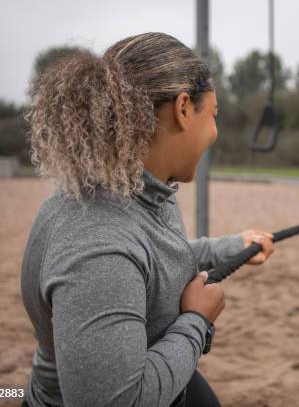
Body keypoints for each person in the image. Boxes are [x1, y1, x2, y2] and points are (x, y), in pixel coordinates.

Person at [21, 32, 275, 407]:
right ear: (184, 108)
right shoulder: (99, 244)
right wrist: (196, 321)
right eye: (214, 116)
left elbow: (150, 262)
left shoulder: (142, 189)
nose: (215, 132)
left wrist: (231, 246)